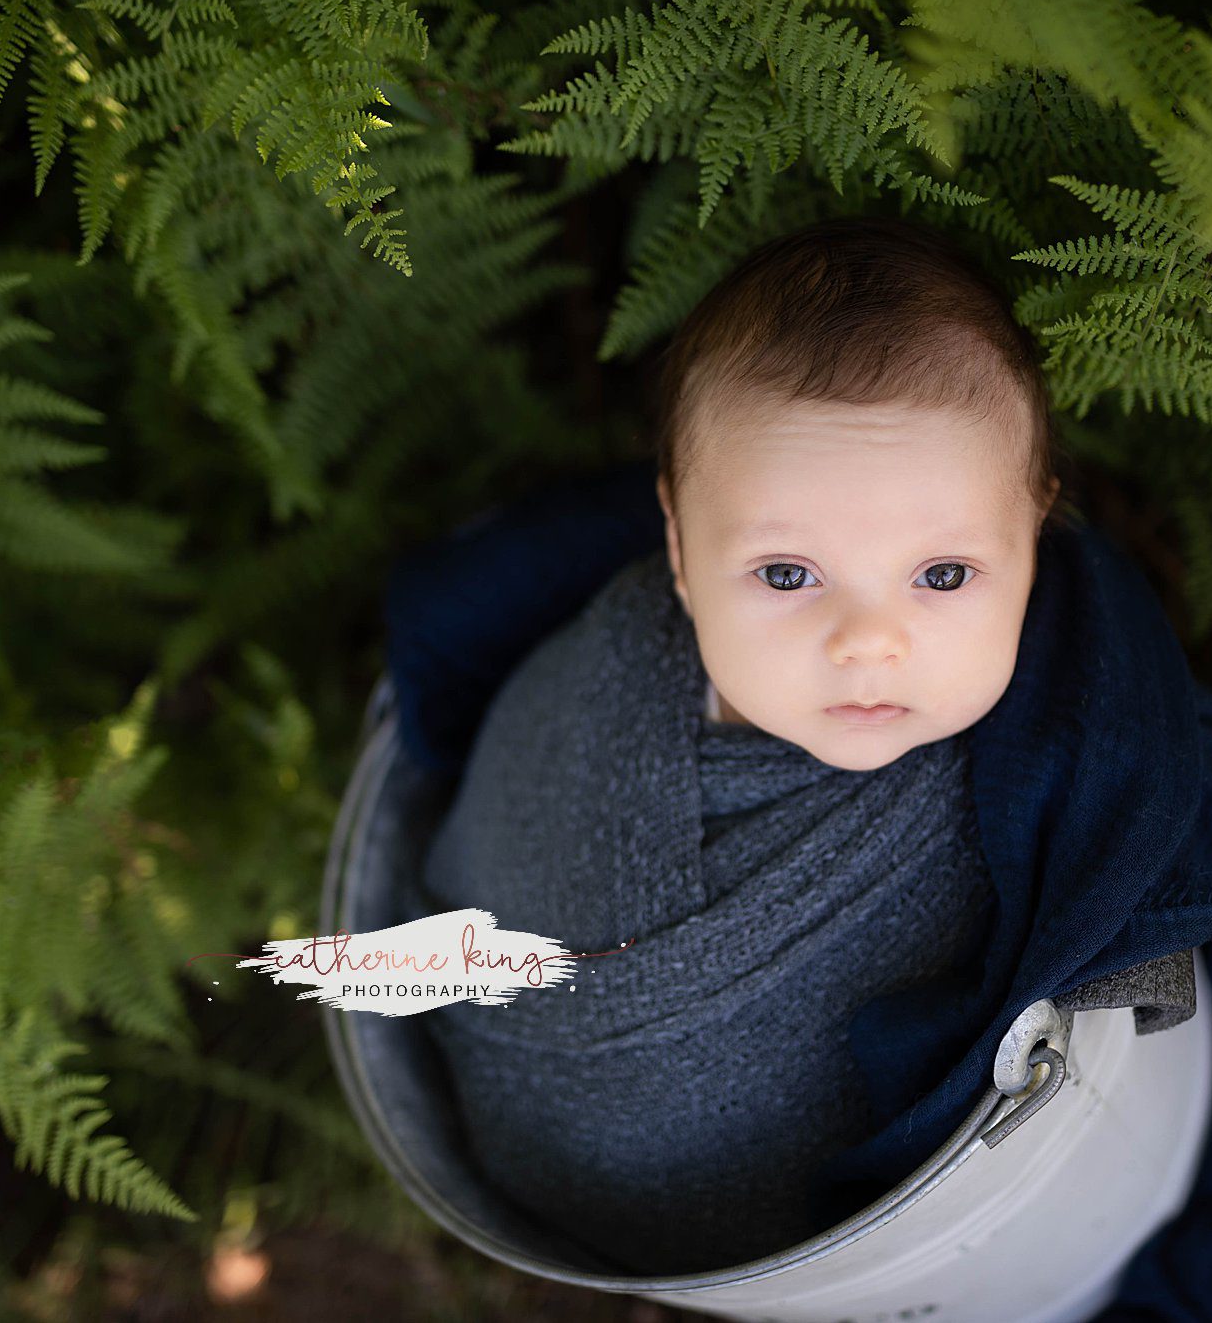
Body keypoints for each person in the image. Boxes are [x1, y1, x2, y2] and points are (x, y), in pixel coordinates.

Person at [411, 215, 1086, 1273]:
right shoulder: (591, 679)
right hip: (608, 1169)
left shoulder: (1053, 747)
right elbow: (486, 852)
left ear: (1034, 535)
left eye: (942, 574)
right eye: (785, 575)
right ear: (677, 552)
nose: (868, 643)